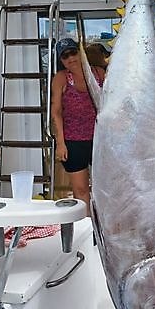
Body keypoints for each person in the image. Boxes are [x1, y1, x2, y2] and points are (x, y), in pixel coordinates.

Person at [51, 38, 105, 210]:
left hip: (100, 140)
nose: (70, 58)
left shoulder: (99, 73)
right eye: (65, 56)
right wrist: (60, 143)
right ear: (61, 61)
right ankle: (87, 229)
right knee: (81, 191)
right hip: (73, 142)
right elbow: (56, 112)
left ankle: (104, 230)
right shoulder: (61, 78)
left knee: (103, 189)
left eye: (73, 52)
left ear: (80, 52)